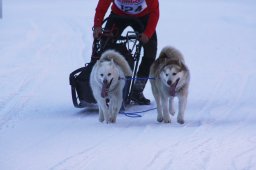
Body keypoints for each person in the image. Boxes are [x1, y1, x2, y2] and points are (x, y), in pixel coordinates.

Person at [93, 0, 159, 105]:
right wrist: (97, 25)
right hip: (118, 14)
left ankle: (137, 90)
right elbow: (102, 5)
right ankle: (103, 87)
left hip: (143, 16)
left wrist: (148, 33)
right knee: (105, 46)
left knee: (151, 49)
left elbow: (155, 11)